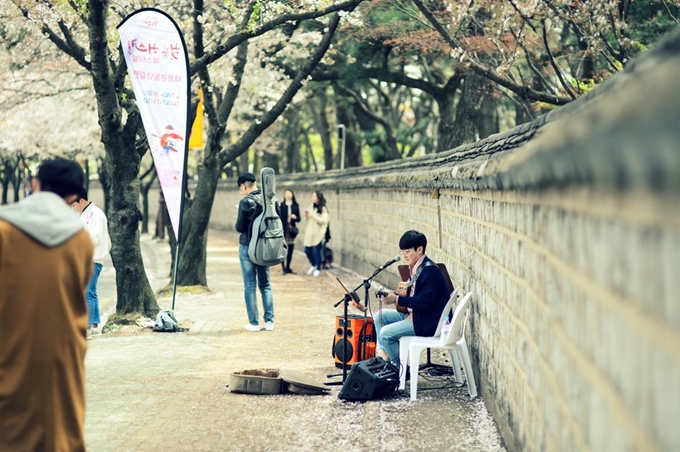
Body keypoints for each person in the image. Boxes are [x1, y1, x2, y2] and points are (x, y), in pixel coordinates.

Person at [0, 157, 94, 451]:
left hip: (9, 349)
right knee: (57, 431)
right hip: (60, 357)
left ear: (35, 184)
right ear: (73, 196)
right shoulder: (80, 239)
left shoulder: (4, 228)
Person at [374, 230, 450, 368]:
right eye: (402, 252)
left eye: (408, 251)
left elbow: (423, 302)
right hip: (415, 316)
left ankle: (398, 368)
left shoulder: (429, 271)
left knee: (385, 334)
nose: (404, 255)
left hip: (427, 322)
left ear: (420, 249)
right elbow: (413, 294)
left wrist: (396, 300)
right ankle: (384, 354)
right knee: (379, 316)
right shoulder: (416, 267)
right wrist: (394, 295)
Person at [235, 172, 275, 332]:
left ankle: (254, 323)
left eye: (240, 188)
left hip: (247, 247)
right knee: (265, 284)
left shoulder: (245, 202)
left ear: (244, 186)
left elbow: (239, 227)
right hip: (264, 248)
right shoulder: (270, 200)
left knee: (250, 285)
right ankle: (269, 322)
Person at [71, 187, 112, 335]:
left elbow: (94, 238)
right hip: (89, 258)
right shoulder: (85, 214)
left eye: (74, 205)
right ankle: (94, 325)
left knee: (87, 291)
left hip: (94, 258)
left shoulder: (96, 215)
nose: (73, 208)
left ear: (82, 201)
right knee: (91, 291)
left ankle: (86, 326)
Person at [303, 190, 329, 277]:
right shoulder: (311, 206)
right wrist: (307, 215)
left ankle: (318, 268)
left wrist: (313, 216)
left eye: (314, 196)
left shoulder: (323, 208)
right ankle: (313, 264)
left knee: (317, 251)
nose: (313, 198)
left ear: (318, 197)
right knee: (307, 250)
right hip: (310, 232)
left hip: (317, 233)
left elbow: (324, 220)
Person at [279, 189, 300, 275]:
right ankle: (283, 268)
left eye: (289, 193)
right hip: (283, 229)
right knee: (283, 249)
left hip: (291, 230)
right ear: (284, 195)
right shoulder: (281, 205)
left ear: (292, 195)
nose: (288, 195)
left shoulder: (295, 205)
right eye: (286, 193)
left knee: (290, 249)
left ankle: (288, 267)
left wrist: (294, 217)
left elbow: (299, 219)